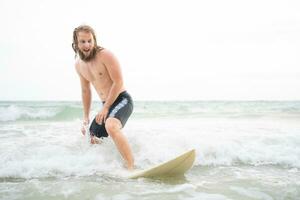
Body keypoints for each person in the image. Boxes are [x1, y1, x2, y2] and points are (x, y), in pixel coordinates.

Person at [72, 25, 134, 170]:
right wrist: (86, 118)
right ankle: (108, 167)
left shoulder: (105, 55)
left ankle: (131, 166)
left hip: (122, 100)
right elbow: (85, 90)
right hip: (106, 104)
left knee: (111, 126)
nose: (87, 45)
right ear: (76, 43)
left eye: (89, 41)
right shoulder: (79, 65)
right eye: (82, 41)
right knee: (92, 137)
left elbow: (118, 82)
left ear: (94, 40)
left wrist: (106, 108)